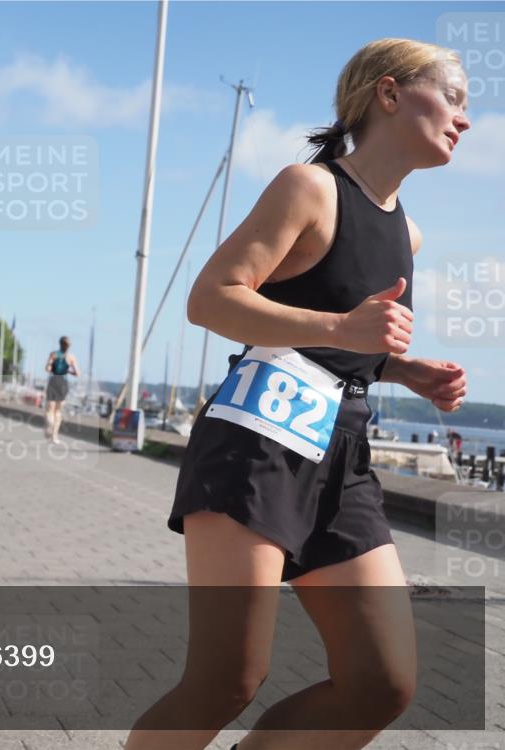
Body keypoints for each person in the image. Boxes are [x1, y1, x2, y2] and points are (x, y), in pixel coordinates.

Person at [126, 39, 469, 750]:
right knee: (225, 680)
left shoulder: (408, 230)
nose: (466, 117)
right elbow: (211, 299)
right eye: (454, 97)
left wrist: (401, 371)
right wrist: (344, 324)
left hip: (343, 456)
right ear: (389, 93)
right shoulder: (310, 188)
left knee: (382, 681)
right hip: (257, 443)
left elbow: (339, 348)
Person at [43, 336, 79, 443]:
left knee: (50, 409)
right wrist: (68, 371)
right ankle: (54, 436)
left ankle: (49, 425)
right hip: (63, 382)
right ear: (68, 346)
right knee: (58, 411)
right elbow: (77, 373)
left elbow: (47, 369)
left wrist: (51, 366)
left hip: (54, 380)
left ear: (59, 344)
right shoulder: (71, 357)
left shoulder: (53, 354)